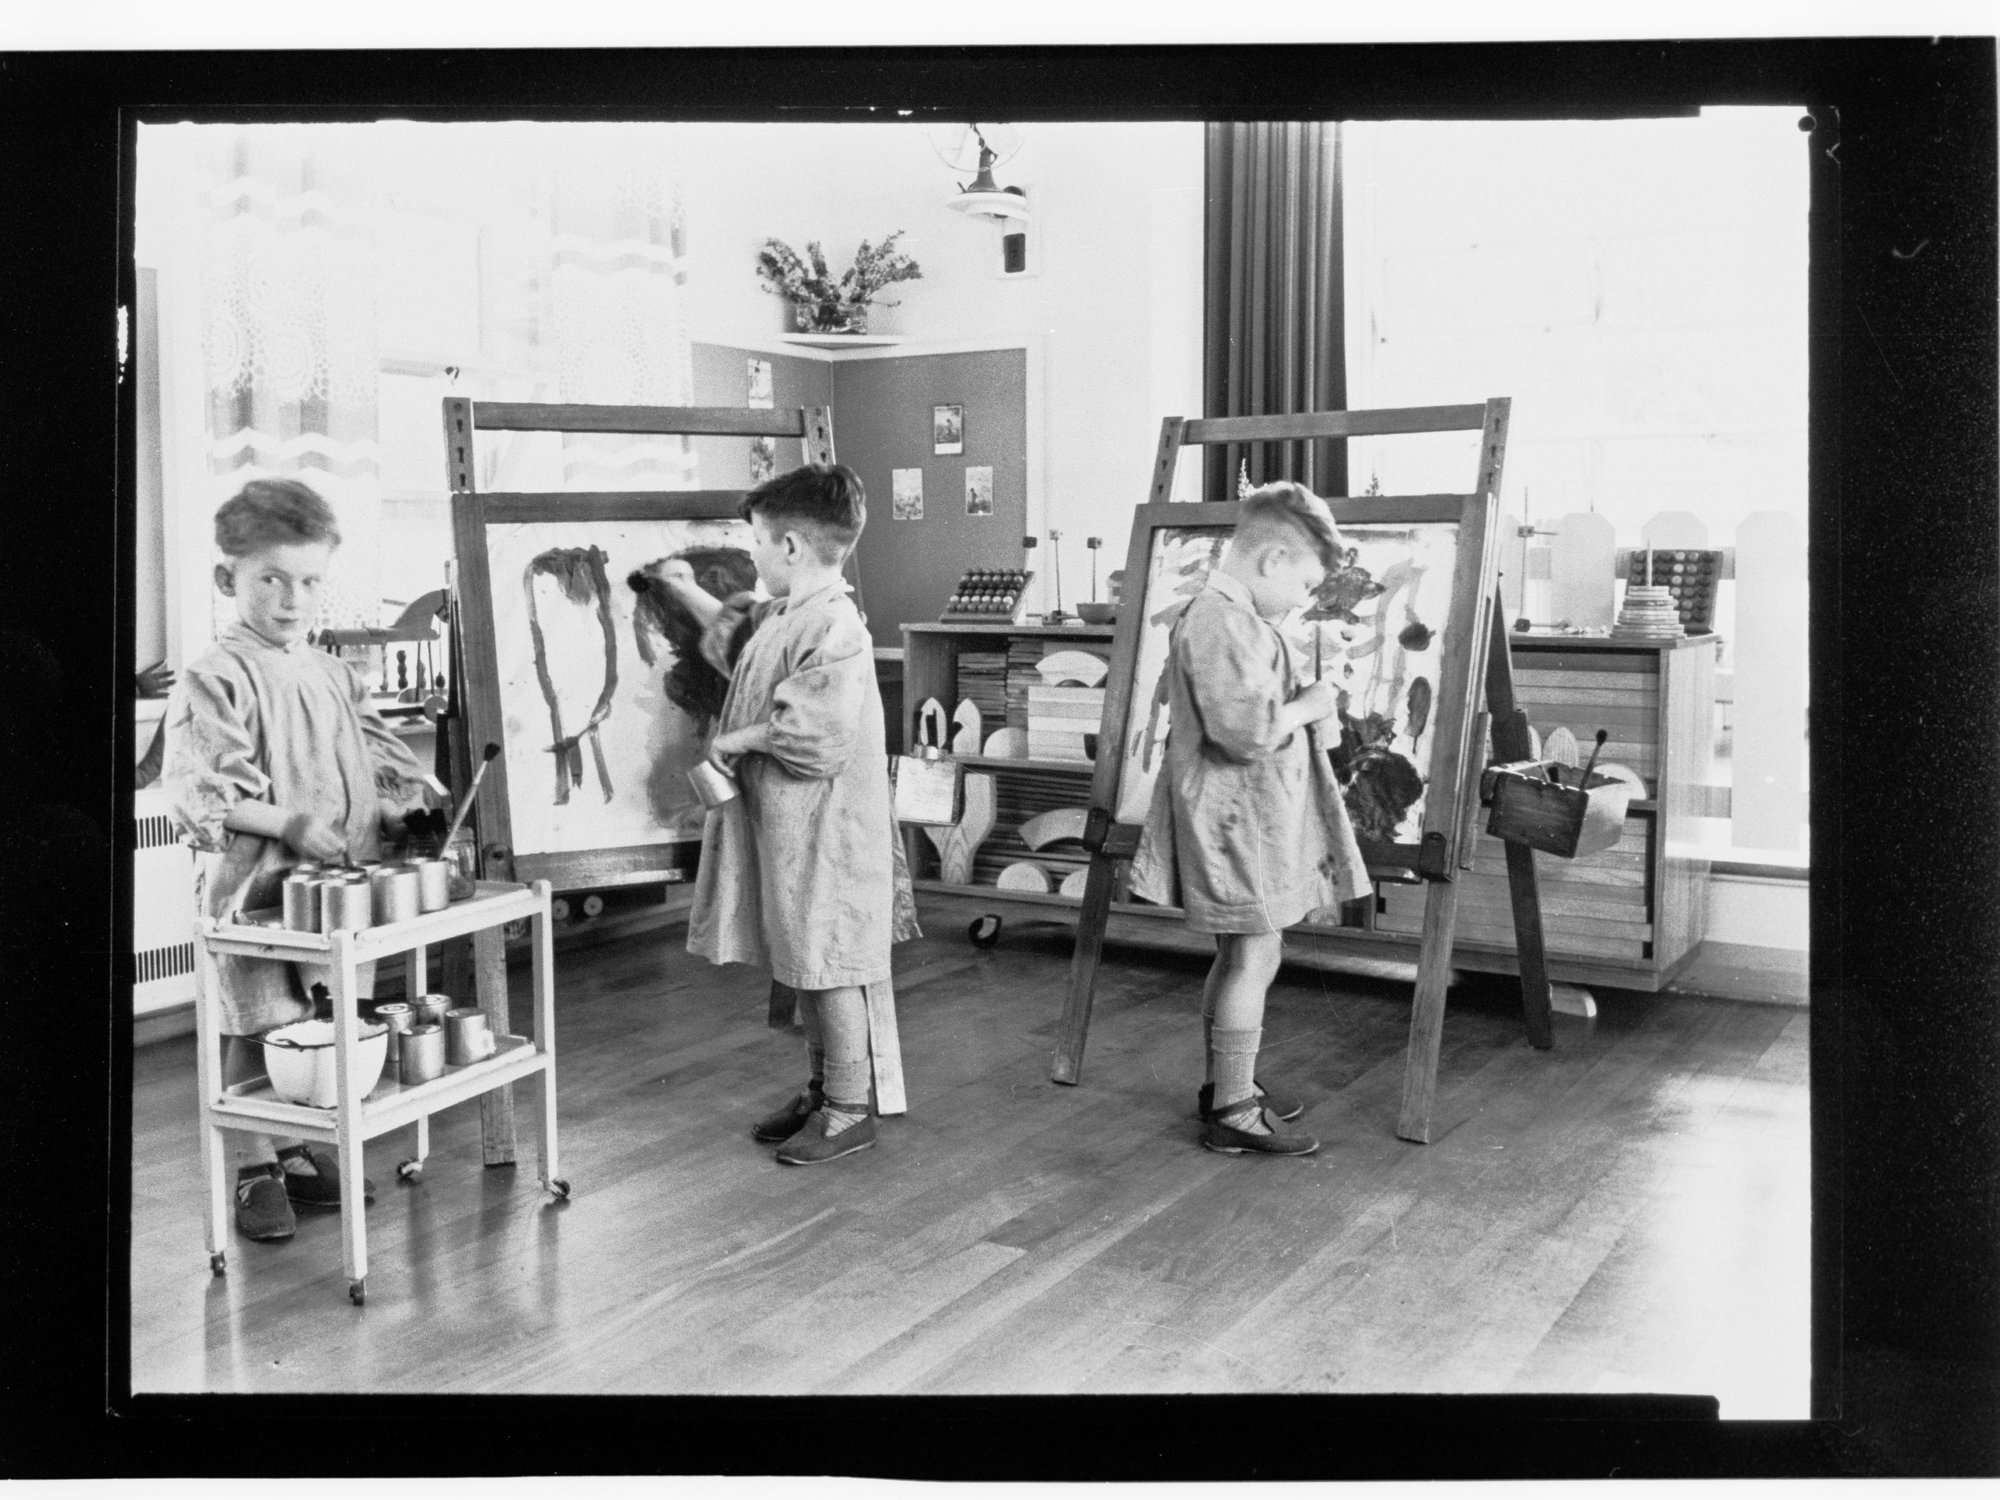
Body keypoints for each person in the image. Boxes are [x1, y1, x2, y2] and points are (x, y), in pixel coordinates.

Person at [164, 478, 433, 1240]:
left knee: (313, 1022)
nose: (291, 598)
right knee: (253, 1024)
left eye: (308, 581)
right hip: (253, 886)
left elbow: (377, 765)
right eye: (270, 579)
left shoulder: (332, 672)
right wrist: (288, 821)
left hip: (332, 889)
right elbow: (202, 792)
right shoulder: (215, 675)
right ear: (228, 580)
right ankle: (253, 1167)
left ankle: (292, 1146)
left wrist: (401, 807)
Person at [658, 463, 916, 1165]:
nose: (754, 559)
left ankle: (848, 1106)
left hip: (829, 832)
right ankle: (823, 1087)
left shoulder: (836, 626)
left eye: (759, 547)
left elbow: (815, 736)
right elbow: (742, 639)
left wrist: (738, 739)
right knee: (803, 957)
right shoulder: (788, 615)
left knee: (829, 962)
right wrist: (681, 589)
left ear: (794, 547)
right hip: (793, 829)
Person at [1128, 482, 1372, 1156]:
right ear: (1269, 561)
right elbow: (1247, 731)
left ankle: (1226, 1087)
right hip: (1235, 822)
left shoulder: (1235, 620)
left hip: (1245, 819)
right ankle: (1233, 1107)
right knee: (1256, 949)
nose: (1304, 599)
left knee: (1244, 951)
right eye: (1304, 581)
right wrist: (1310, 702)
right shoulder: (1222, 623)